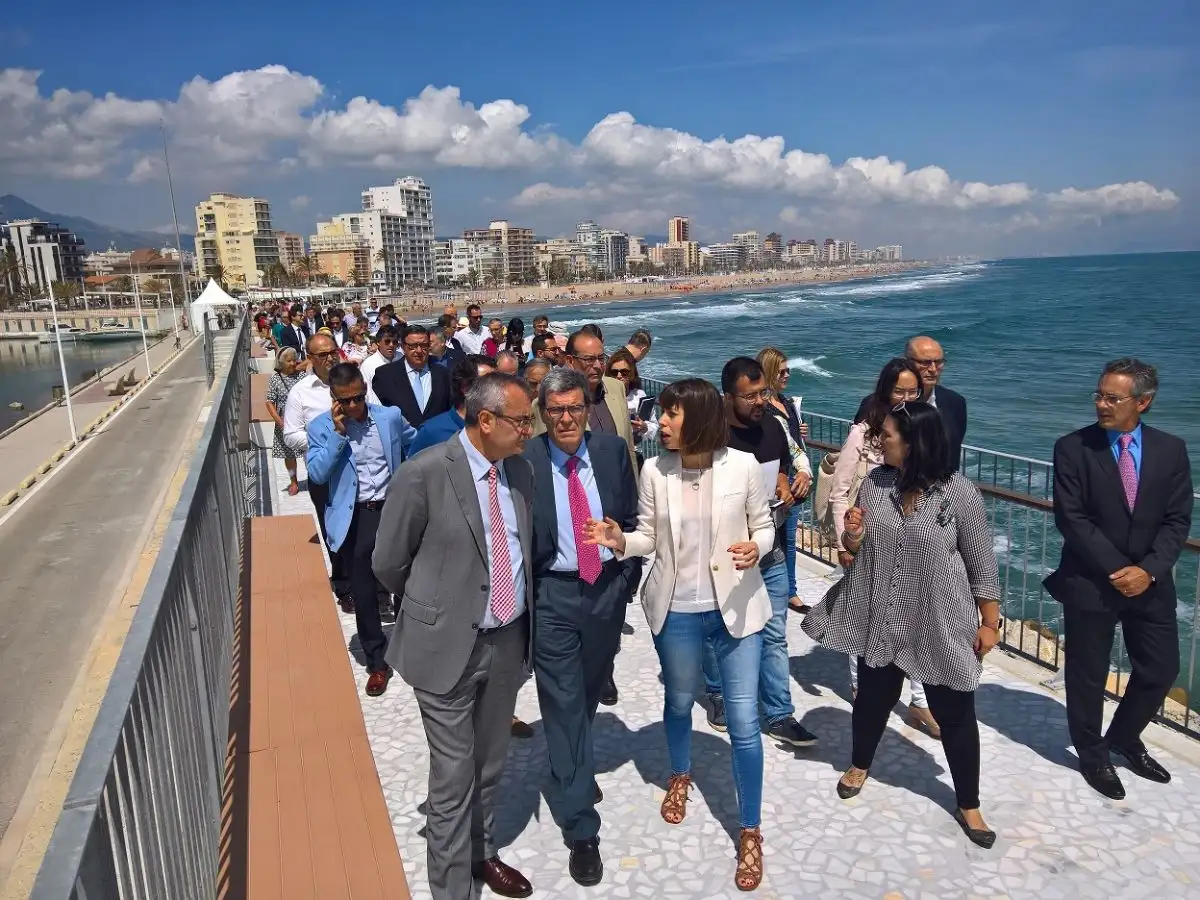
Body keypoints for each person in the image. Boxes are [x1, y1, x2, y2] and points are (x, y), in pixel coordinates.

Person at [584, 378, 774, 892]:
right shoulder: (654, 469)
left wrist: (757, 547)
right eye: (662, 414)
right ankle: (680, 773)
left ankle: (750, 829)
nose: (660, 422)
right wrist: (619, 540)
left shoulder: (744, 467)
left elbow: (764, 524)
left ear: (699, 418)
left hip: (734, 608)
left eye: (670, 414)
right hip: (678, 610)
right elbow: (648, 534)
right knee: (679, 701)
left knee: (743, 719)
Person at [802, 401, 1002, 849]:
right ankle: (860, 763)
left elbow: (982, 564)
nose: (879, 441)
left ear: (914, 442)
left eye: (887, 434)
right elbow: (859, 546)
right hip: (883, 614)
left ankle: (967, 802)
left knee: (954, 714)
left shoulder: (959, 492)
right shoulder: (876, 484)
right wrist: (852, 533)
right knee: (873, 698)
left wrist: (991, 622)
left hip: (940, 619)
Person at [373, 374, 537, 900]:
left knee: (489, 763)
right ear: (485, 422)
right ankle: (451, 890)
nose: (529, 430)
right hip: (446, 647)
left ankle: (481, 852)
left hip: (506, 642)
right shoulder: (423, 473)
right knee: (451, 778)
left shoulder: (520, 472)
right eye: (521, 421)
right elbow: (388, 562)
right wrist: (436, 605)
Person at [1045, 357, 1193, 800]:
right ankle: (1093, 755)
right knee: (1087, 675)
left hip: (1151, 583)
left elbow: (1177, 519)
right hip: (1091, 582)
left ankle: (1125, 738)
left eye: (1113, 397)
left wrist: (1147, 570)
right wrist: (1117, 569)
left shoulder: (1171, 450)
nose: (1102, 404)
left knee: (1160, 669)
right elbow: (1072, 519)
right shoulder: (1073, 448)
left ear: (1143, 402)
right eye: (1099, 395)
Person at [523, 368, 641, 886]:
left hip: (604, 593)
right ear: (542, 414)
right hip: (553, 595)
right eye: (556, 410)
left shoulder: (613, 451)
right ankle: (581, 826)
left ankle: (569, 763)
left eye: (574, 407)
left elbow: (634, 518)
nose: (566, 418)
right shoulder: (524, 462)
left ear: (586, 406)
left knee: (589, 692)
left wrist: (625, 579)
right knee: (563, 703)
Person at [703, 357, 817, 748]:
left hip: (769, 546)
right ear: (727, 396)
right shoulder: (710, 434)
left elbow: (787, 464)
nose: (758, 402)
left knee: (774, 632)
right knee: (721, 628)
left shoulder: (773, 425)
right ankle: (718, 694)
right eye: (749, 396)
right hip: (724, 551)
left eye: (762, 393)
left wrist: (790, 481)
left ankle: (779, 712)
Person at [827, 358, 938, 735]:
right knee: (866, 618)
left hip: (911, 545)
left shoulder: (922, 432)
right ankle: (862, 689)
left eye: (912, 391)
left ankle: (920, 703)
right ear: (884, 391)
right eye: (898, 391)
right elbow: (840, 492)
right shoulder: (864, 433)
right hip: (866, 544)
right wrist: (847, 541)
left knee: (915, 622)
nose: (906, 398)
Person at [305, 364, 414, 696]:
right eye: (345, 401)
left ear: (365, 389)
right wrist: (338, 436)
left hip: (392, 509)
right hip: (356, 517)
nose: (353, 406)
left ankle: (410, 647)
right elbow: (318, 474)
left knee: (407, 582)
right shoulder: (321, 428)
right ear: (334, 399)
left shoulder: (389, 417)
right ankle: (377, 661)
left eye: (358, 398)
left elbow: (414, 443)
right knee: (364, 591)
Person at [283, 333, 352, 609]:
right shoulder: (300, 392)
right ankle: (344, 586)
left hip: (356, 466)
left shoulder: (353, 380)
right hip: (324, 468)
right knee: (333, 527)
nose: (329, 357)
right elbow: (290, 434)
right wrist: (323, 441)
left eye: (332, 351)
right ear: (310, 359)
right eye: (322, 354)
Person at [856, 336, 967, 472]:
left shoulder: (955, 403)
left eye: (938, 362)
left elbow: (953, 453)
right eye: (925, 362)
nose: (933, 369)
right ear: (907, 362)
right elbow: (858, 453)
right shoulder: (872, 405)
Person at [756, 347, 813, 612]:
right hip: (776, 477)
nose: (787, 375)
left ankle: (789, 590)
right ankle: (783, 590)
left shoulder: (786, 402)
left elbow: (792, 441)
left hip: (794, 474)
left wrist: (799, 429)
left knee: (789, 538)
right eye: (782, 371)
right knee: (777, 537)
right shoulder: (763, 407)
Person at [408, 355, 495, 459]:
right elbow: (411, 472)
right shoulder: (432, 432)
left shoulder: (500, 428)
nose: (498, 389)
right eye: (489, 383)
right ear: (465, 387)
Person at [370, 324, 452, 428]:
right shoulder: (384, 376)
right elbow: (377, 413)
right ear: (403, 347)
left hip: (438, 441)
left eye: (423, 345)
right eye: (413, 346)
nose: (418, 351)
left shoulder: (443, 374)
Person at [265, 347, 305, 495]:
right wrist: (279, 421)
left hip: (302, 418)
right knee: (289, 454)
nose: (293, 363)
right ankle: (293, 481)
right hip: (284, 421)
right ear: (281, 363)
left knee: (309, 449)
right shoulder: (275, 379)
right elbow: (269, 402)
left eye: (294, 360)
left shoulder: (302, 376)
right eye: (289, 361)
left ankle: (315, 478)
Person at [606, 348, 654, 442]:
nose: (619, 376)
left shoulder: (639, 396)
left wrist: (644, 427)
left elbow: (654, 425)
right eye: (614, 372)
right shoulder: (602, 397)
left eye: (624, 372)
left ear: (631, 374)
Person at [360, 324, 399, 398]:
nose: (391, 345)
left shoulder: (402, 358)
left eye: (395, 342)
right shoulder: (368, 365)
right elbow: (367, 393)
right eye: (387, 341)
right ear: (378, 342)